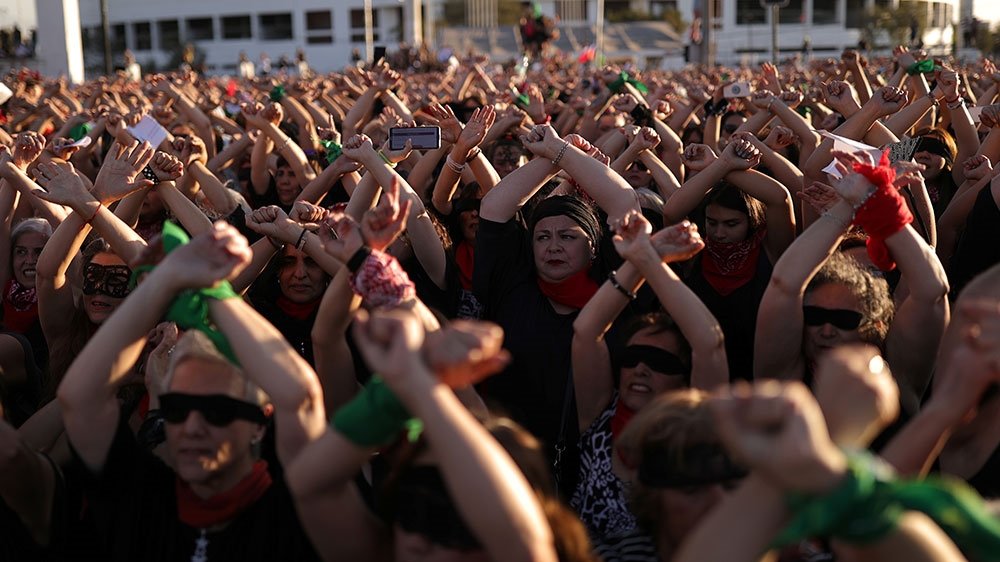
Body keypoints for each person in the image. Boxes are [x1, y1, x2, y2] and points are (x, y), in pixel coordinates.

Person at [57, 222, 322, 562]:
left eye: (218, 411)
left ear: (260, 422)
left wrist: (214, 291)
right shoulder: (144, 494)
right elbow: (79, 398)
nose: (192, 428)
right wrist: (163, 282)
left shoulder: (294, 505)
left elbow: (301, 397)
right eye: (177, 409)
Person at [474, 125, 640, 484]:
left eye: (568, 237)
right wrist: (547, 159)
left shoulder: (613, 289)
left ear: (594, 248)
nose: (553, 247)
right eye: (543, 237)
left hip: (594, 470)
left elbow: (625, 204)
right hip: (511, 465)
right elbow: (494, 208)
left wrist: (561, 150)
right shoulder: (514, 287)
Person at [570, 211, 727, 548]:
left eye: (659, 362)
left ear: (685, 380)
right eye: (631, 359)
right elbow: (586, 332)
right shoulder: (600, 415)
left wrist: (649, 261)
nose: (641, 369)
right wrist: (644, 256)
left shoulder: (697, 430)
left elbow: (708, 343)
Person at [663, 139, 795, 379]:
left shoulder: (770, 250)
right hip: (695, 377)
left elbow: (780, 198)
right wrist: (722, 165)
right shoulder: (694, 250)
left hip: (754, 381)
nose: (719, 233)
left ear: (751, 221)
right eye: (712, 223)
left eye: (731, 224)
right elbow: (671, 212)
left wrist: (716, 164)